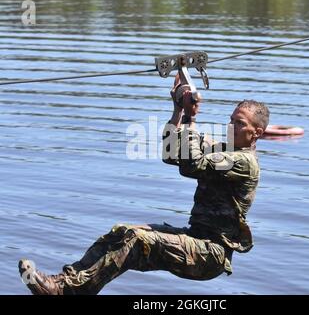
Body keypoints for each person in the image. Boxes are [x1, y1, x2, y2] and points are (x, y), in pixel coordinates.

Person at [18, 74, 270, 295]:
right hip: (196, 238)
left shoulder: (244, 162)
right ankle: (65, 284)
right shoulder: (222, 149)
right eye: (231, 120)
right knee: (123, 233)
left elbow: (192, 164)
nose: (230, 126)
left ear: (256, 133)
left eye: (239, 124)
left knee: (138, 240)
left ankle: (66, 292)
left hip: (211, 254)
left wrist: (192, 120)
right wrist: (178, 111)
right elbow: (172, 154)